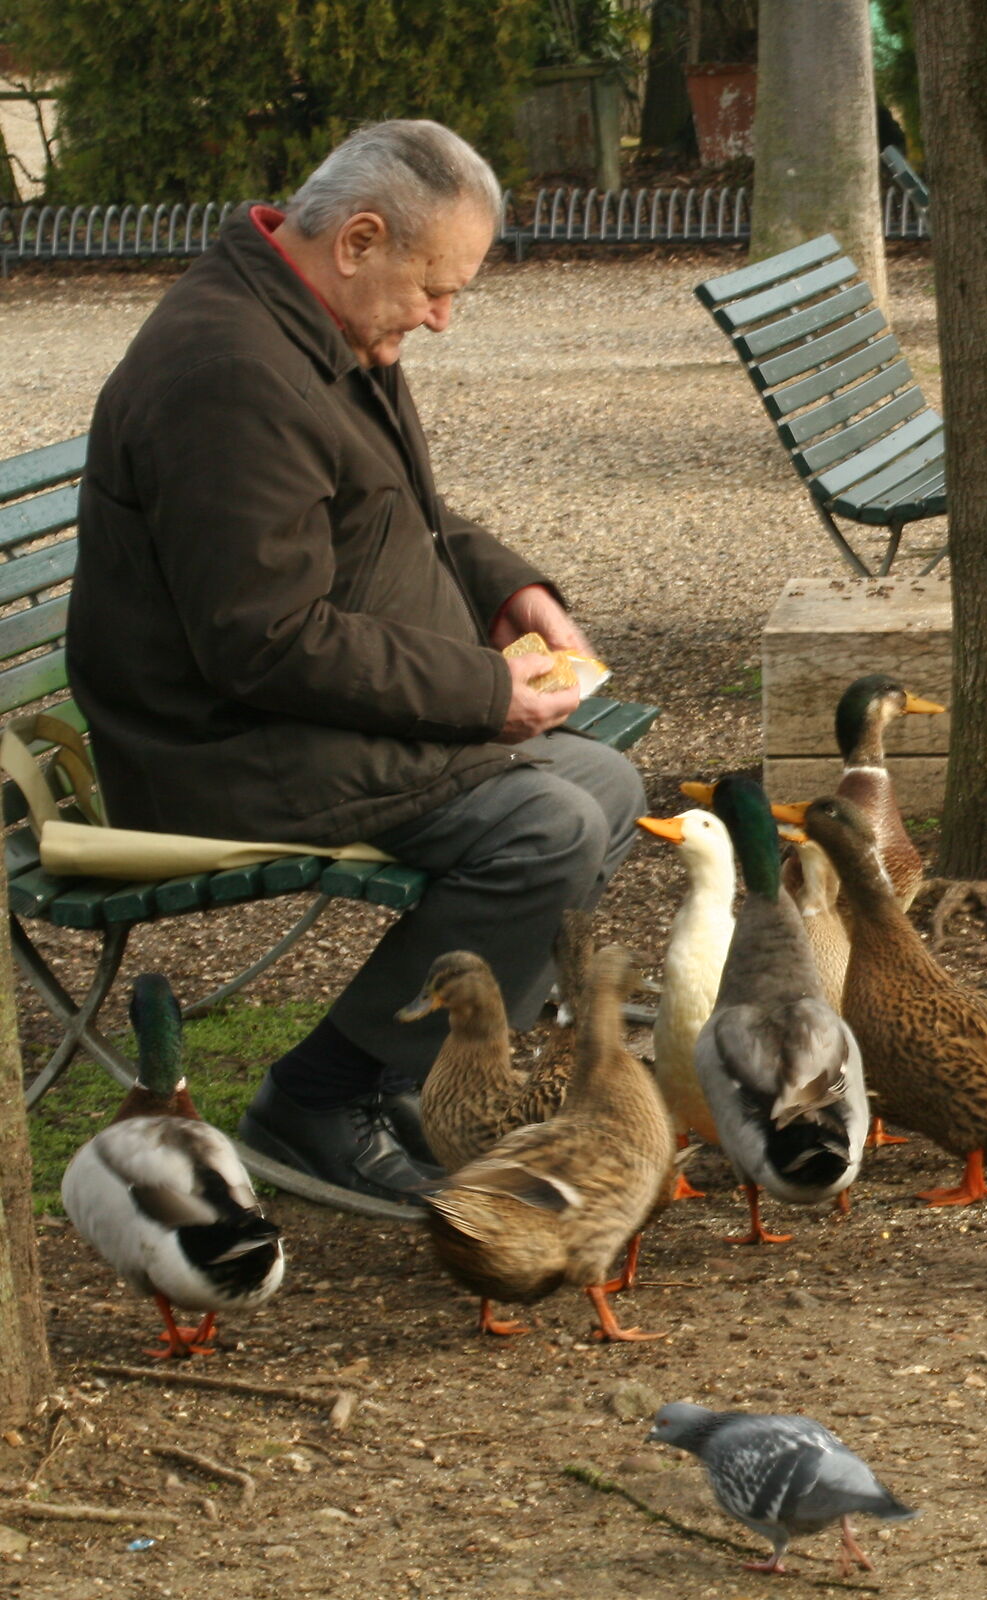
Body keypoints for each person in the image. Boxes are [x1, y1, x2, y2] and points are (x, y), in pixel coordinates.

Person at [66, 121, 645, 1205]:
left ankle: (429, 1078)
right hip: (221, 749)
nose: (440, 316)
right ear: (360, 240)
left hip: (297, 717)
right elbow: (260, 638)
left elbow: (395, 516)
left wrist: (509, 589)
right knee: (546, 829)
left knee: (606, 785)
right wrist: (483, 692)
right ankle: (318, 1100)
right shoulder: (229, 371)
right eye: (436, 288)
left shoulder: (313, 326)